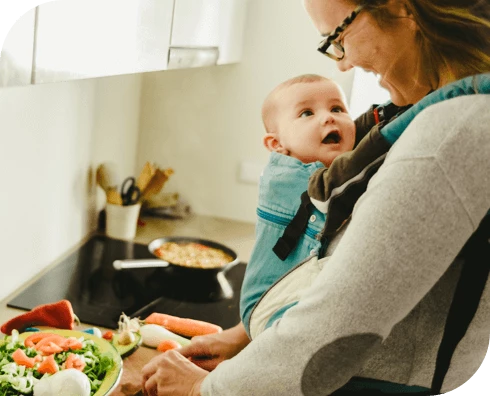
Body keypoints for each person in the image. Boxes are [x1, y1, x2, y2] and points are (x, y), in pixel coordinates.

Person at [141, 1, 490, 395]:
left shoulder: (451, 133)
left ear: (398, 8)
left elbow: (337, 326)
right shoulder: (429, 113)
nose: (341, 63)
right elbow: (361, 272)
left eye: (337, 37)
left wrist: (204, 390)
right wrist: (247, 333)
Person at [240, 73, 357, 340]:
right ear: (276, 144)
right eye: (307, 113)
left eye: (337, 108)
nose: (328, 117)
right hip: (271, 304)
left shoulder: (329, 169)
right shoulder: (284, 177)